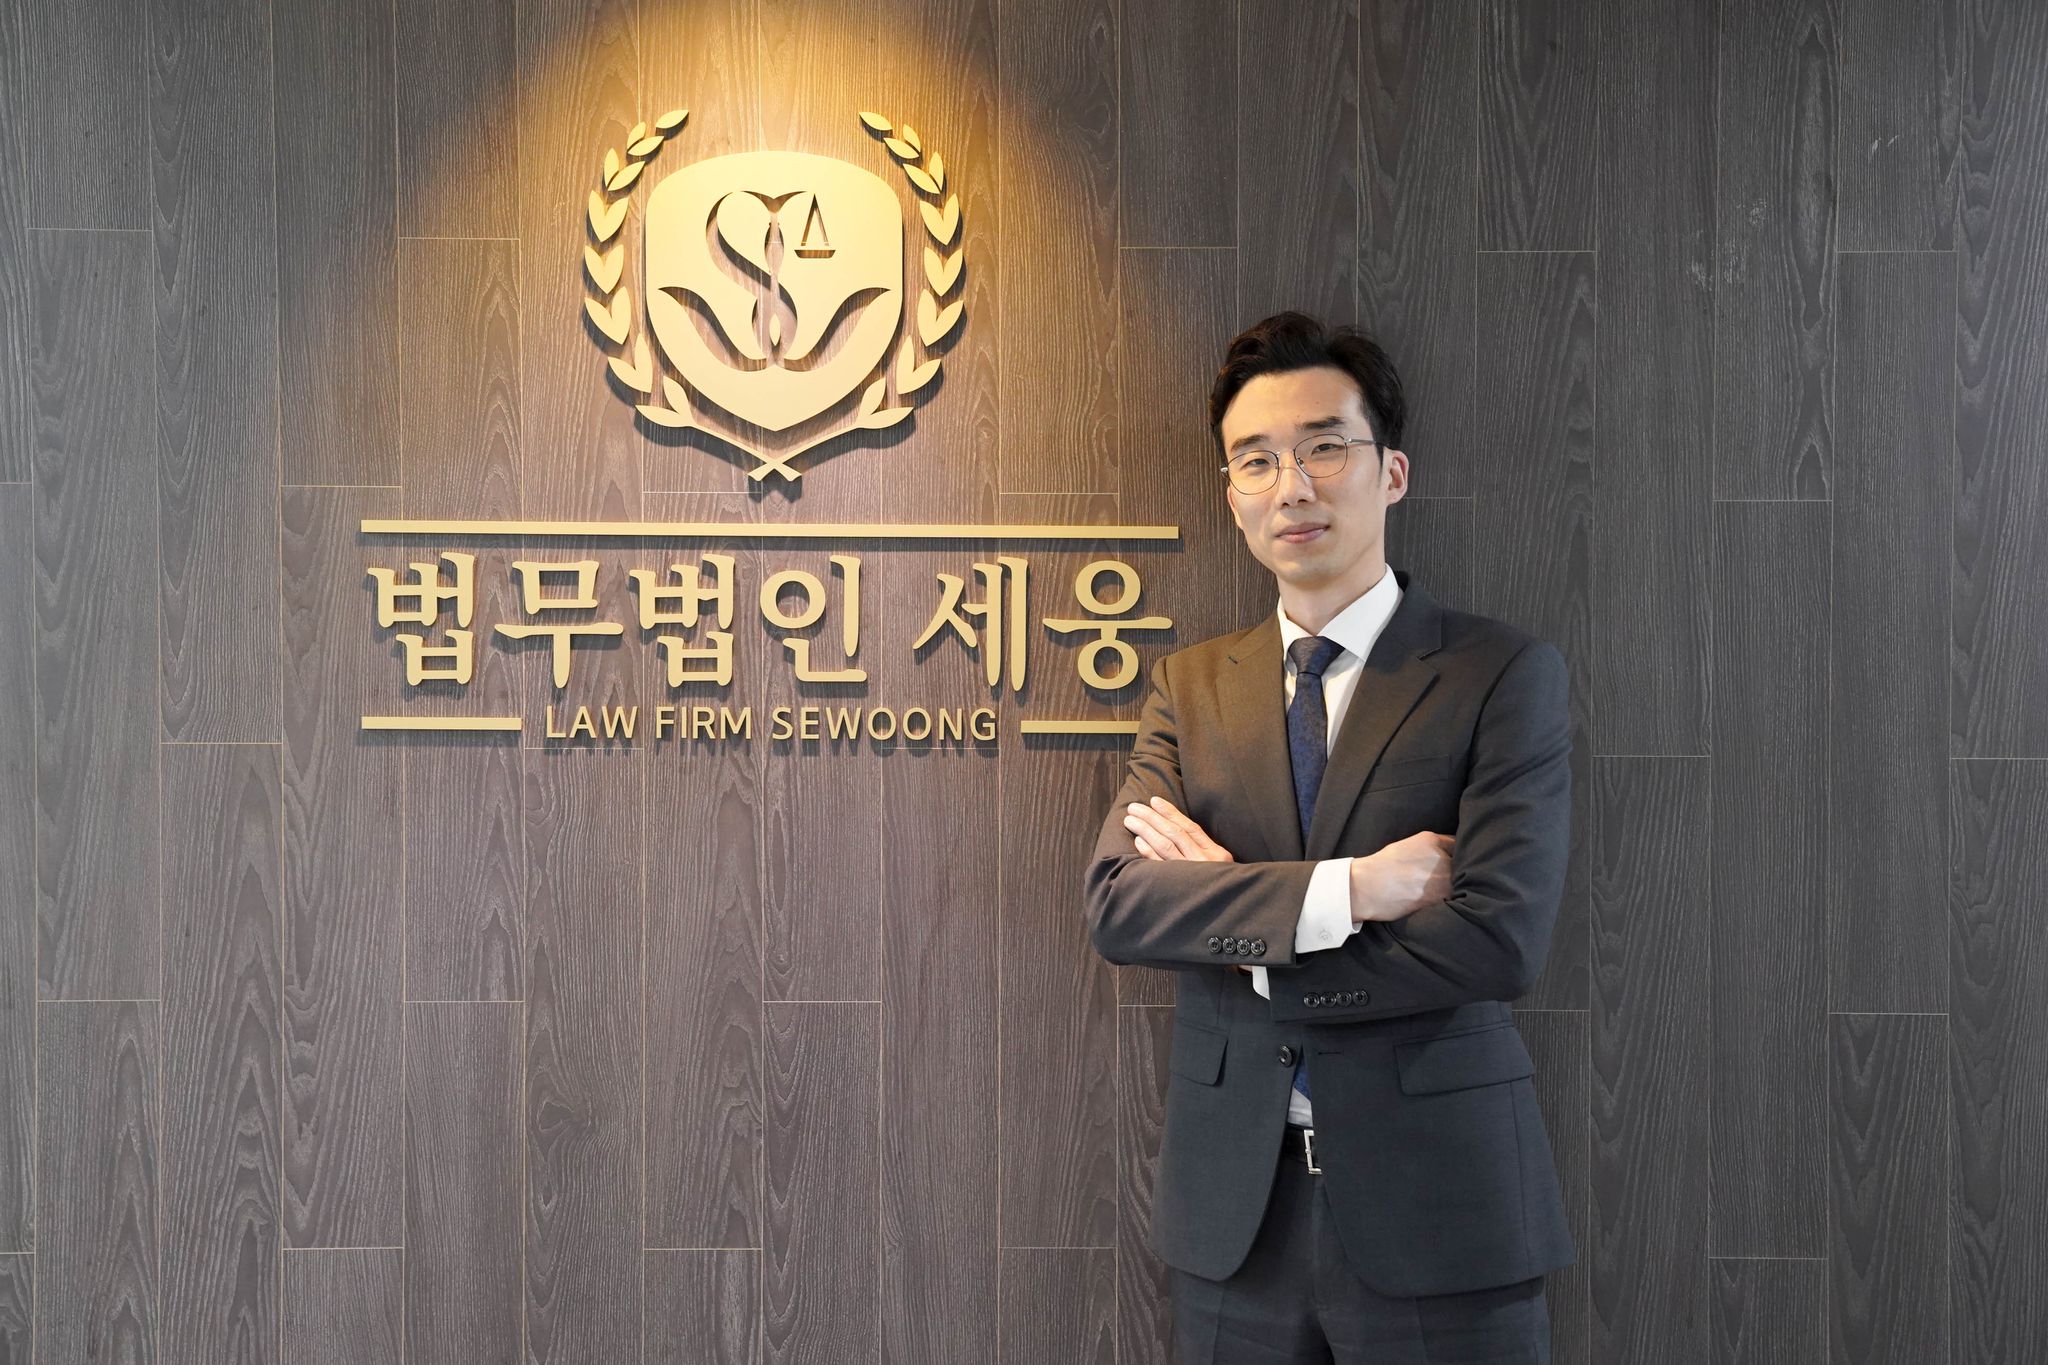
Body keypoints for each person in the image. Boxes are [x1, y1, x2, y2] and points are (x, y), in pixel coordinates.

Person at [1083, 311, 1576, 1363]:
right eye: (1255, 460)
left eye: (1322, 448)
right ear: (1230, 494)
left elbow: (1497, 939)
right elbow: (1121, 904)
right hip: (1237, 1221)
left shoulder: (1497, 674)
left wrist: (1245, 938)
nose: (1291, 487)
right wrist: (1347, 891)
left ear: (1390, 472)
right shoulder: (1190, 688)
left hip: (1444, 1208)